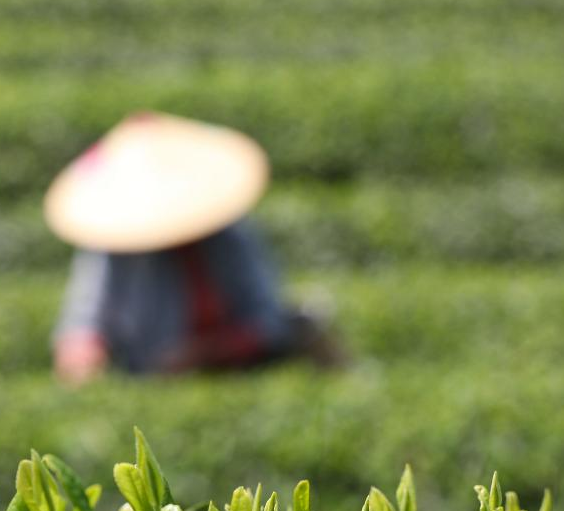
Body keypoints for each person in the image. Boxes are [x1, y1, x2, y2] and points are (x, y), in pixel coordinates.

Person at [44, 112, 343, 385]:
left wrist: (205, 352)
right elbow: (84, 319)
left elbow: (267, 320)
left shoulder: (230, 234)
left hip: (239, 366)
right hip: (151, 372)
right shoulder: (116, 240)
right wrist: (82, 354)